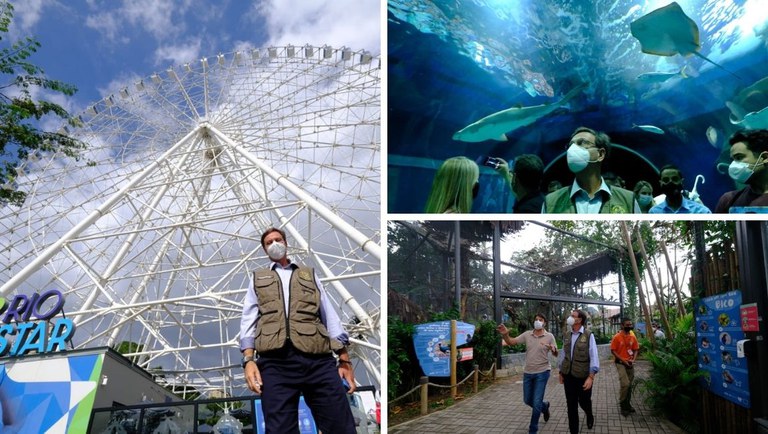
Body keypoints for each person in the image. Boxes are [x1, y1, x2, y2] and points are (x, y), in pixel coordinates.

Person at [239, 227, 356, 433]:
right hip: (275, 362)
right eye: (269, 242)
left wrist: (344, 359)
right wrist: (249, 361)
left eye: (278, 239)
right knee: (279, 429)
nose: (274, 244)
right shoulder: (257, 278)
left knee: (340, 424)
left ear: (285, 242)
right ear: (265, 250)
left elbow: (328, 314)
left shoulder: (308, 274)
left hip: (317, 359)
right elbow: (248, 320)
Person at [543, 127, 639, 213]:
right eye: (570, 145)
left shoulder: (628, 199)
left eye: (582, 143)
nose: (572, 149)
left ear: (600, 154)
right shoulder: (551, 201)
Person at [497, 314, 559, 434]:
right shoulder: (527, 334)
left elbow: (555, 353)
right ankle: (545, 407)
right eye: (536, 319)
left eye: (540, 320)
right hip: (528, 373)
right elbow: (511, 342)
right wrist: (505, 334)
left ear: (544, 323)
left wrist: (553, 349)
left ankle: (533, 429)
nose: (537, 321)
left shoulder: (549, 336)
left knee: (536, 402)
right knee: (527, 400)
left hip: (543, 372)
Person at [558, 309, 599, 433]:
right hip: (568, 376)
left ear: (579, 320)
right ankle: (573, 431)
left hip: (583, 376)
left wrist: (591, 377)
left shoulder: (588, 335)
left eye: (572, 316)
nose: (570, 318)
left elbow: (594, 356)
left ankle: (589, 413)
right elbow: (563, 354)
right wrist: (560, 372)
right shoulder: (567, 335)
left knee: (584, 401)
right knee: (571, 404)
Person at [715, 129, 768, 212]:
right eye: (732, 160)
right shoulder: (728, 201)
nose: (733, 165)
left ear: (764, 157)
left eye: (739, 157)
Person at [610, 318, 640, 417]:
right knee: (625, 384)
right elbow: (613, 351)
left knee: (629, 385)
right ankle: (623, 405)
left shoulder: (632, 336)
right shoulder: (617, 337)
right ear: (622, 325)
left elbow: (635, 349)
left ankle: (628, 404)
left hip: (630, 363)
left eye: (631, 324)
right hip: (620, 363)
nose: (630, 326)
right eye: (627, 324)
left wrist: (633, 360)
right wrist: (623, 361)